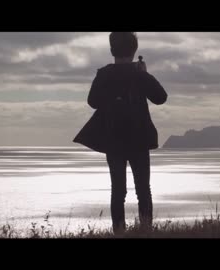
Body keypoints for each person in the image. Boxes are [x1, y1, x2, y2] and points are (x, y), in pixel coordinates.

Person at [73, 32, 168, 234]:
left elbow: (93, 102)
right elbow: (161, 98)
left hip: (114, 139)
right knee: (143, 189)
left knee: (118, 191)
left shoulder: (105, 74)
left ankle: (119, 232)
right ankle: (145, 231)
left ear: (111, 50)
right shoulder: (139, 74)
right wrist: (144, 73)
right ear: (134, 51)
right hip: (139, 139)